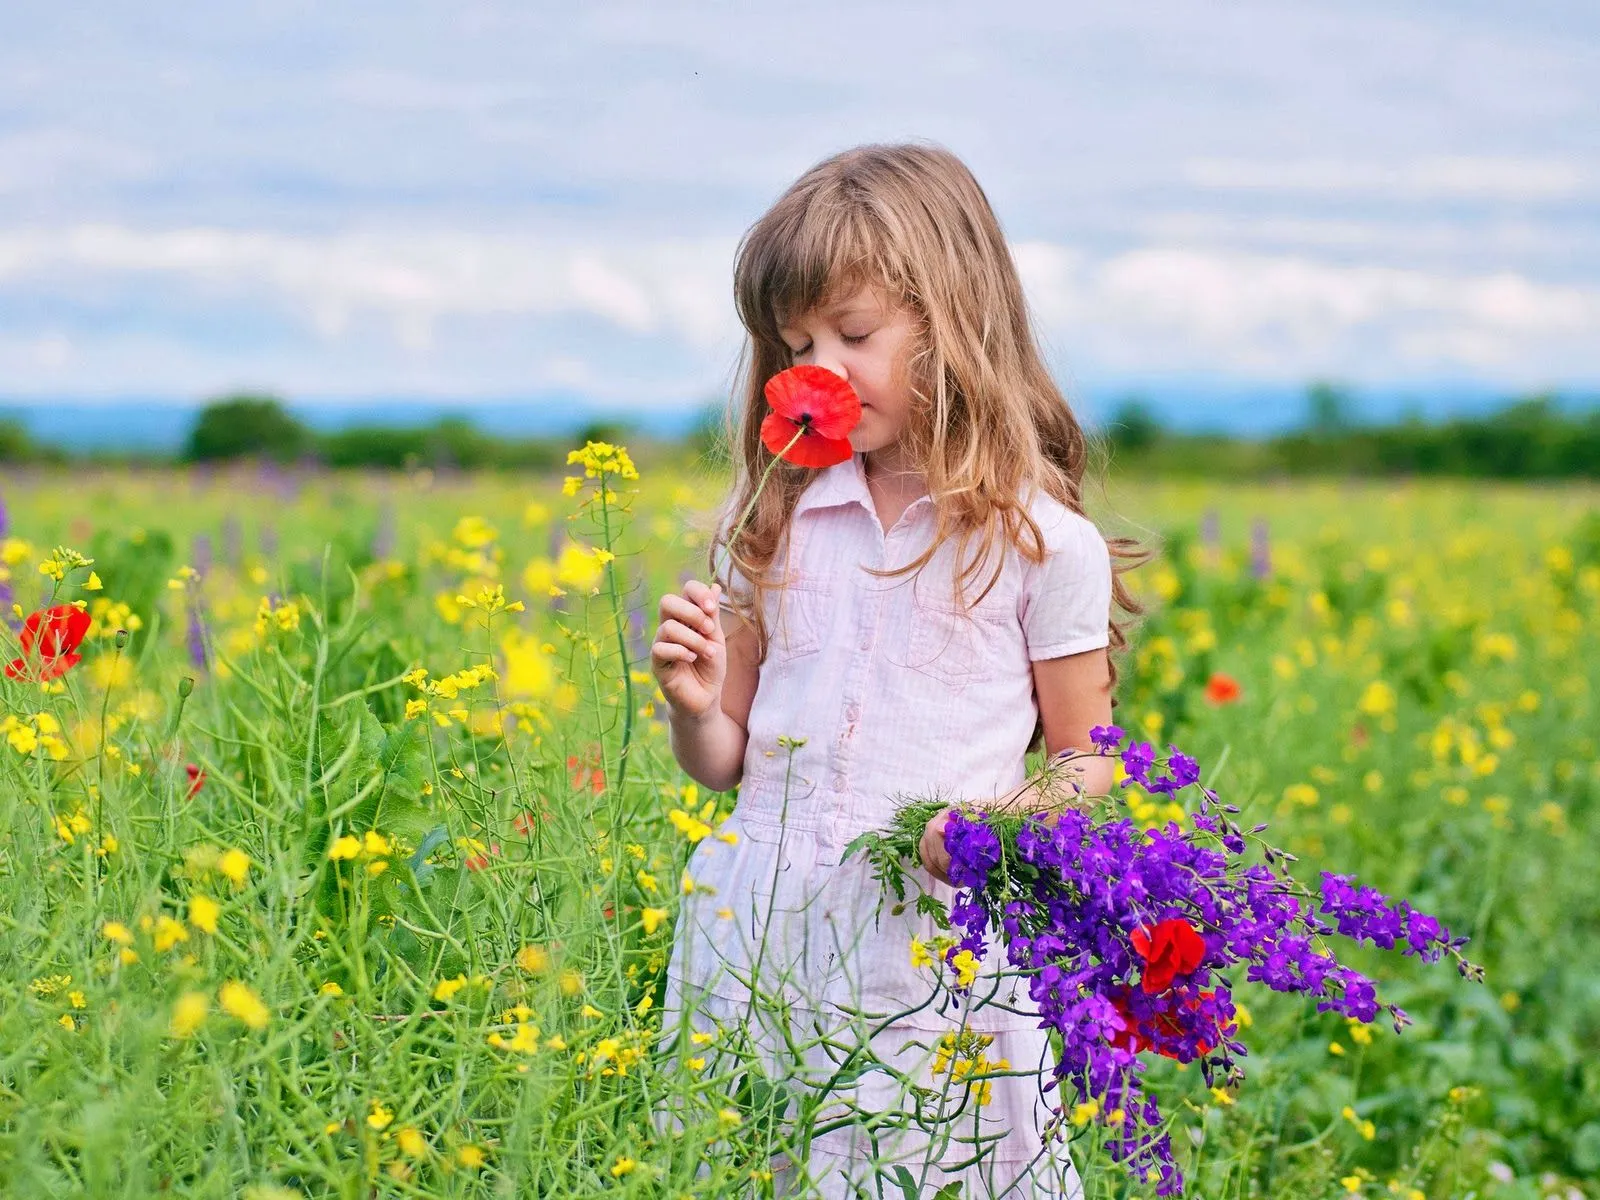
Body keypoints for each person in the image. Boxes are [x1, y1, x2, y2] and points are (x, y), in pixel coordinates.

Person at [650, 142, 1147, 1198]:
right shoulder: (770, 522)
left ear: (955, 322)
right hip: (760, 926)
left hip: (928, 941)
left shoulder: (1044, 547)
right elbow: (725, 764)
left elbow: (1088, 762)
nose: (817, 367)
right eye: (796, 342)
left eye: (856, 333)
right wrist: (695, 709)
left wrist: (987, 831)